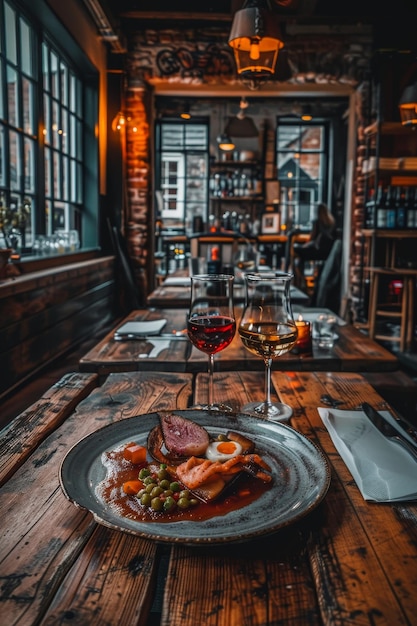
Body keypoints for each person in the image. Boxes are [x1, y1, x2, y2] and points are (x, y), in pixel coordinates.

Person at [292, 203, 336, 288]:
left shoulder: (316, 222)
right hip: (327, 253)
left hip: (317, 251)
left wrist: (303, 246)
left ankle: (299, 281)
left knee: (297, 252)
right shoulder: (331, 222)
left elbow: (312, 240)